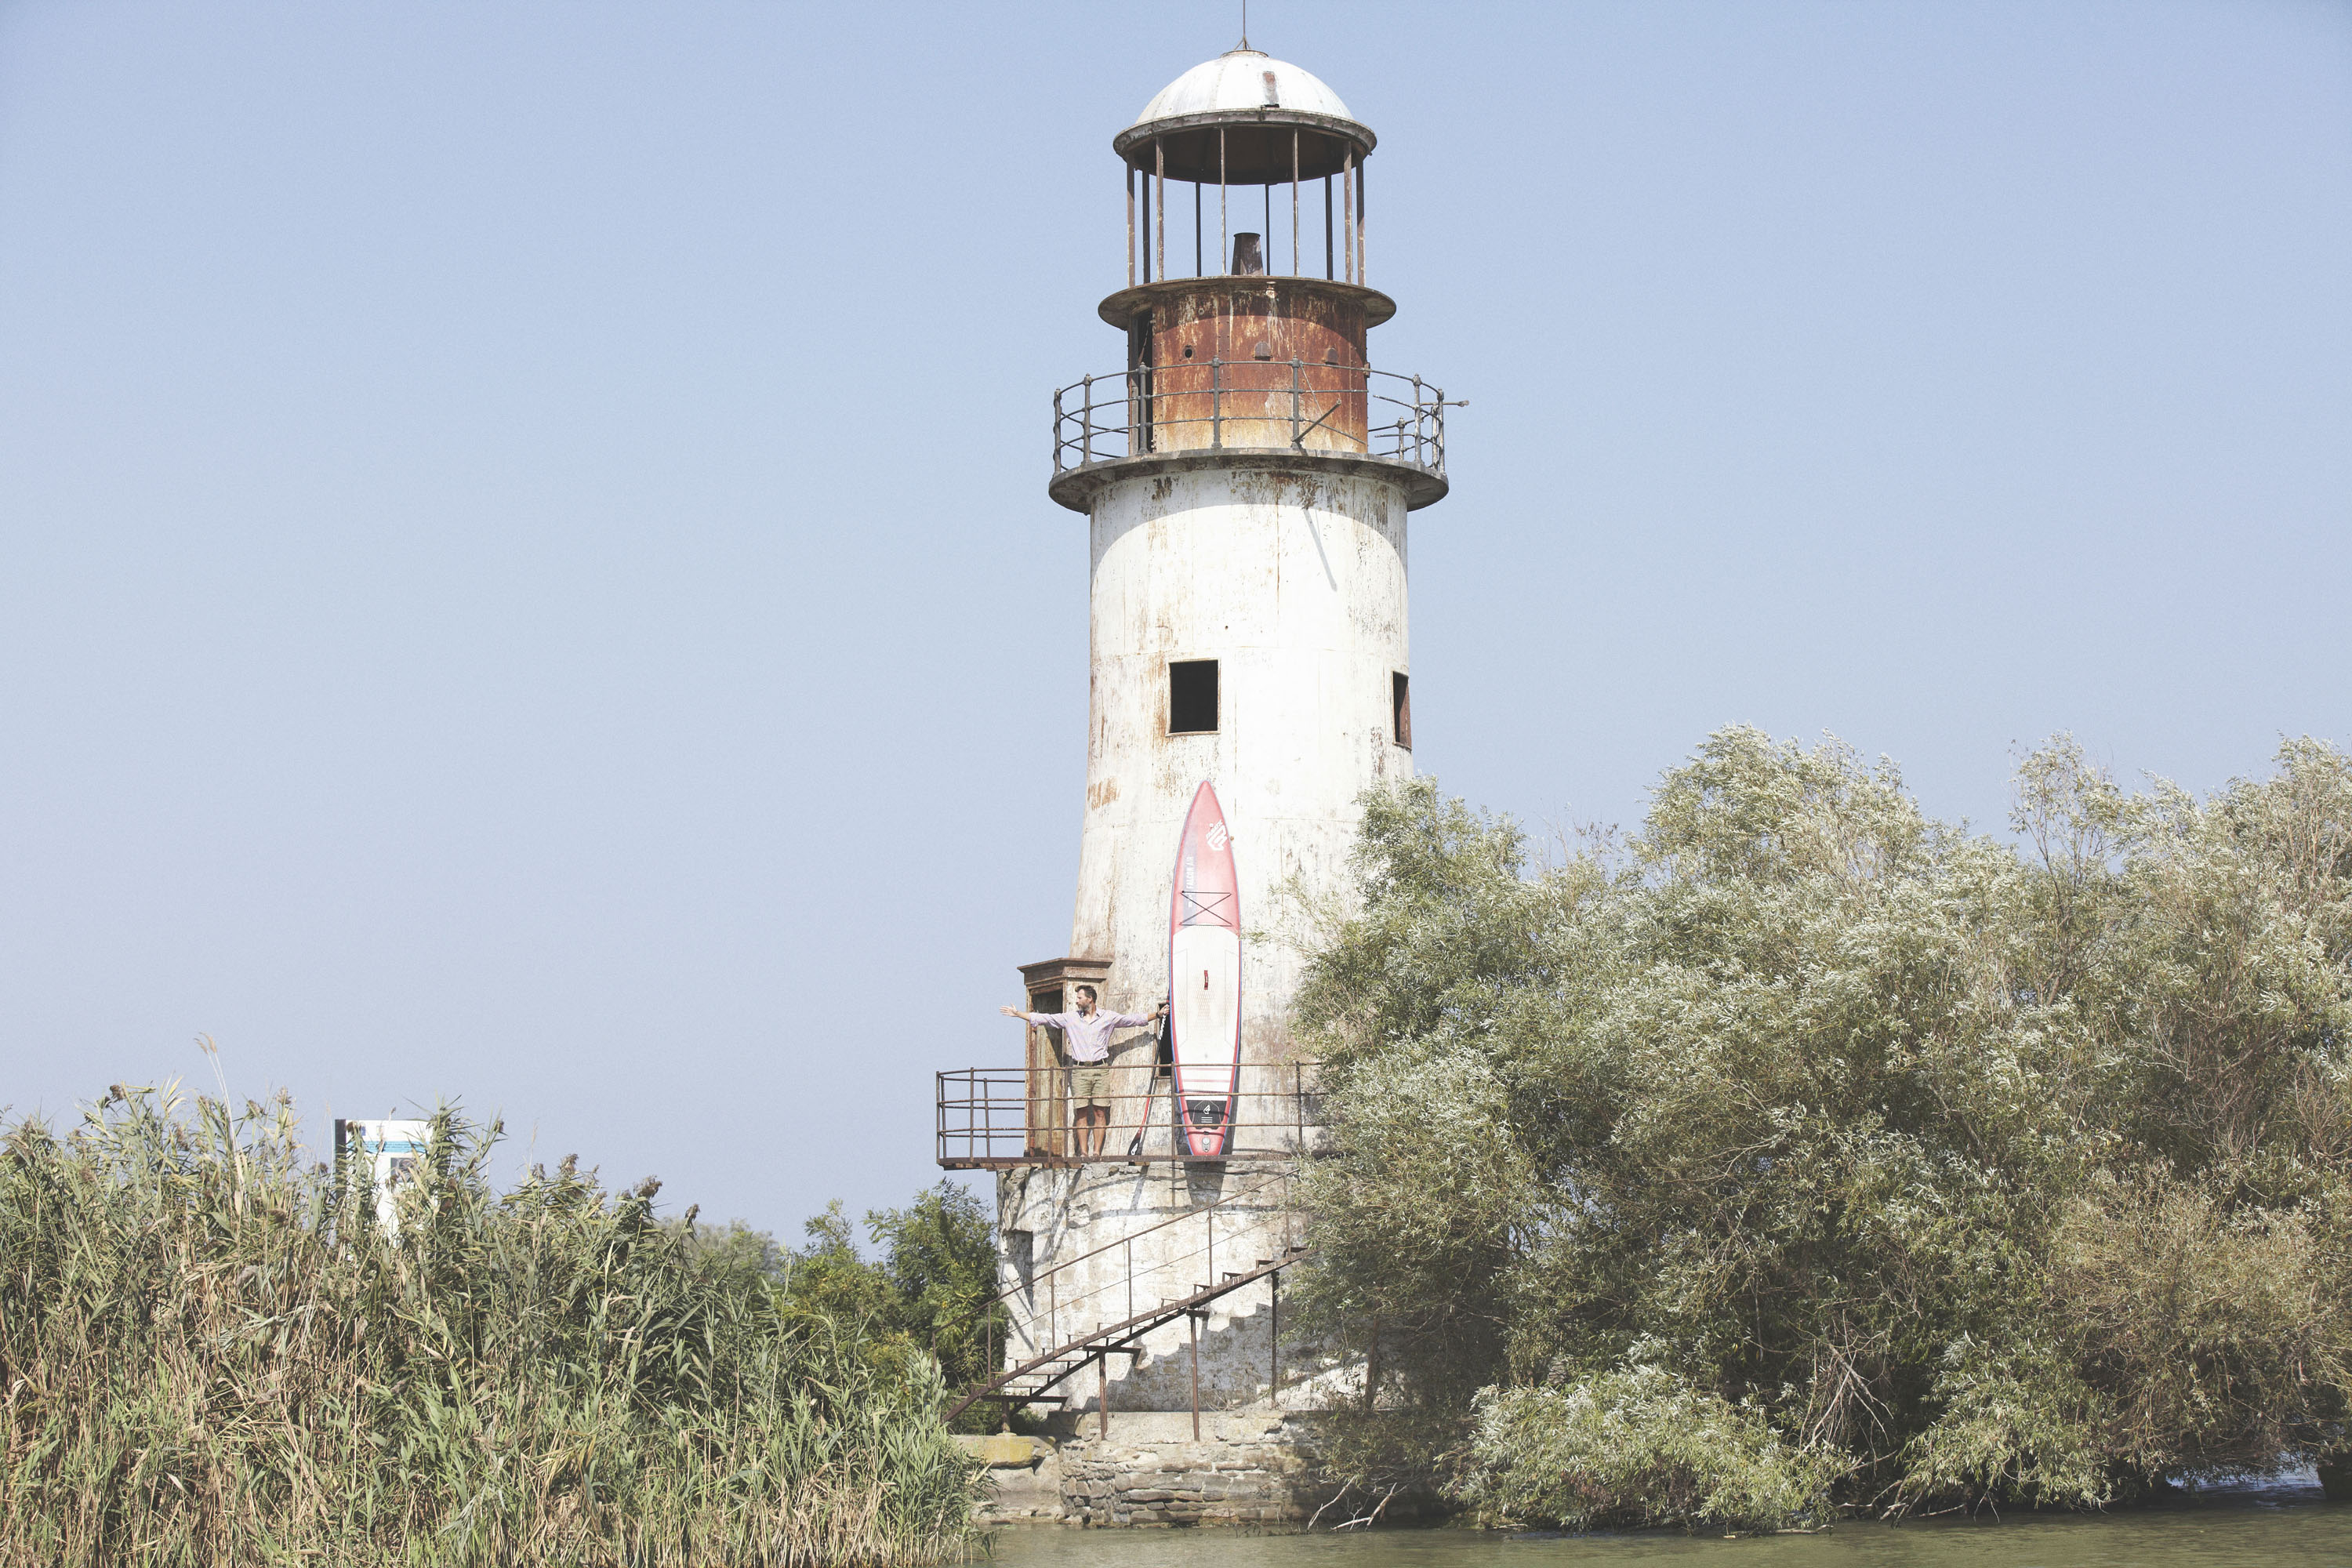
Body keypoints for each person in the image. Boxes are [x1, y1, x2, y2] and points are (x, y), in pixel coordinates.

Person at [1001, 985, 1167, 1162]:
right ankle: (1083, 1153)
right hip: (1079, 1070)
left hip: (1100, 1069)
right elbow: (1045, 1019)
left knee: (1100, 1112)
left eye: (1080, 998)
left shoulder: (1107, 1017)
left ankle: (1096, 1152)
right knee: (1080, 1112)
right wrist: (1019, 1014)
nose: (1077, 1001)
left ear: (1090, 999)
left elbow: (1131, 1020)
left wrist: (1156, 1015)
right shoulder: (1070, 1018)